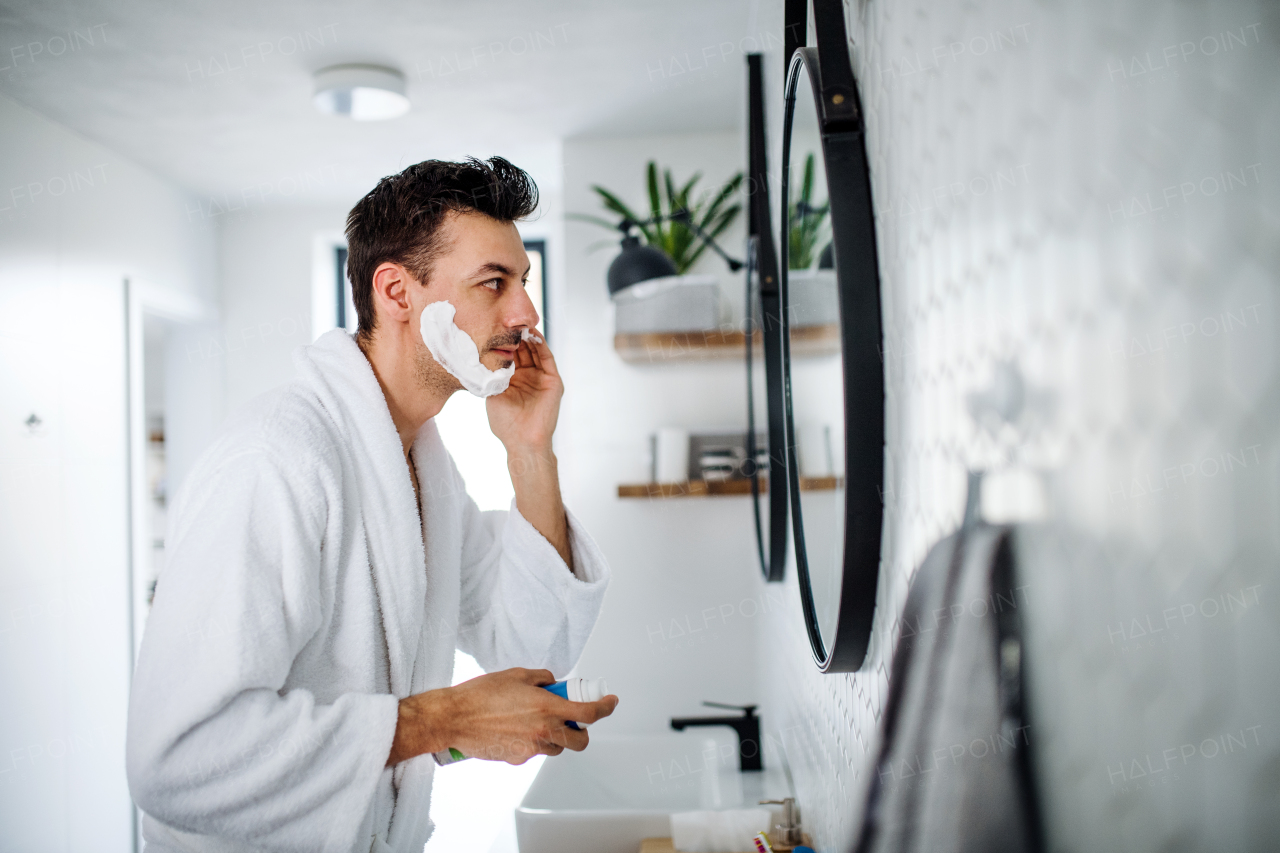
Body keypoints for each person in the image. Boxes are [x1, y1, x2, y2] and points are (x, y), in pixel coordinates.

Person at [126, 157, 617, 853]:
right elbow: (176, 758)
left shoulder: (420, 465)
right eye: (494, 283)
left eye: (524, 283)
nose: (526, 314)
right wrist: (441, 719)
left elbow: (532, 646)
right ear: (396, 291)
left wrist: (530, 451)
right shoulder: (276, 459)